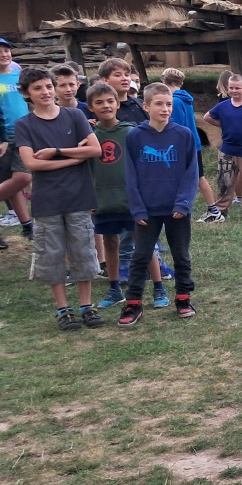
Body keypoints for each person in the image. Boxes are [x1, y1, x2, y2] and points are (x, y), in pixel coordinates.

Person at [13, 67, 103, 330]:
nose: (45, 92)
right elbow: (32, 164)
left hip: (79, 197)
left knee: (83, 251)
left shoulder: (74, 115)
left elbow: (95, 149)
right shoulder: (24, 125)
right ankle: (63, 309)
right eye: (37, 88)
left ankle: (86, 306)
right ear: (26, 94)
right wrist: (73, 159)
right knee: (51, 254)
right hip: (47, 201)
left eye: (48, 86)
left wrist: (56, 151)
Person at [117, 83, 197, 325]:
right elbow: (130, 175)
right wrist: (137, 208)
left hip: (176, 209)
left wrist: (183, 203)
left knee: (181, 255)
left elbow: (191, 173)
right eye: (159, 104)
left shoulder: (183, 134)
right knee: (140, 256)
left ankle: (183, 298)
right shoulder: (135, 136)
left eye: (169, 104)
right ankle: (133, 303)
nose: (165, 109)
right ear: (146, 106)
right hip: (147, 210)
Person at [88, 80, 166, 309]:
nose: (106, 106)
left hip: (131, 199)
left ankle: (159, 288)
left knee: (144, 243)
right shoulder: (89, 136)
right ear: (91, 107)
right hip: (104, 201)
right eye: (99, 102)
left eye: (110, 101)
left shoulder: (131, 132)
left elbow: (145, 164)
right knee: (110, 242)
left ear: (117, 104)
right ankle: (114, 289)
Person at [161, 68, 223, 222]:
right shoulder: (186, 99)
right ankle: (213, 210)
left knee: (186, 178)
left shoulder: (175, 101)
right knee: (199, 177)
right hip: (194, 143)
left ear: (164, 81)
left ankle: (182, 208)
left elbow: (175, 125)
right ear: (181, 83)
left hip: (182, 145)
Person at [202, 74, 242, 221]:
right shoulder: (223, 106)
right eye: (231, 88)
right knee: (225, 182)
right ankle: (221, 209)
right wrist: (223, 125)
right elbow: (207, 117)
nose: (234, 91)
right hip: (228, 150)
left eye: (237, 88)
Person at [0, 38, 34, 243]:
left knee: (21, 178)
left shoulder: (18, 76)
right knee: (9, 181)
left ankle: (27, 225)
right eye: (0, 51)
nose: (4, 54)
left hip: (24, 132)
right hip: (3, 136)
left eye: (6, 50)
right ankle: (27, 225)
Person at [96, 58, 145, 125]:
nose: (124, 78)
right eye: (118, 75)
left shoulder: (140, 103)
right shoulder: (102, 109)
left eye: (127, 75)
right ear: (105, 80)